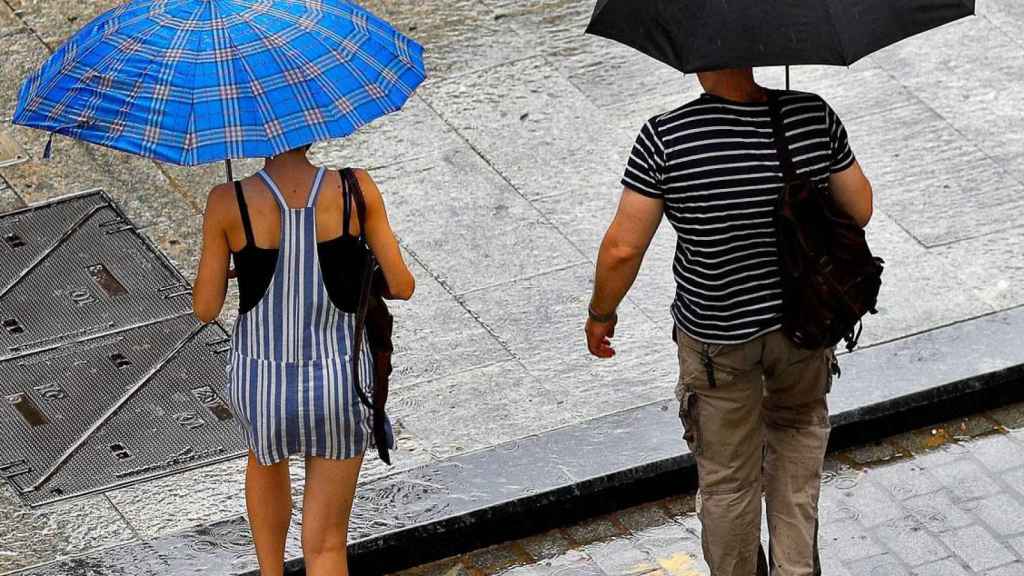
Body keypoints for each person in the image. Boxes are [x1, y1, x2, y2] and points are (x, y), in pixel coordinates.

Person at [585, 68, 873, 576]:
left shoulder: (666, 138)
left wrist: (601, 314)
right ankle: (796, 570)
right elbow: (861, 207)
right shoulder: (810, 113)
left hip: (718, 339)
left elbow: (623, 249)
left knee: (728, 479)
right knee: (798, 444)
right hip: (804, 326)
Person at [192, 145, 415, 576]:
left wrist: (232, 261)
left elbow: (205, 307)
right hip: (338, 380)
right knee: (327, 545)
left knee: (265, 459)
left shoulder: (227, 201)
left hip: (262, 384)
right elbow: (402, 285)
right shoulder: (355, 190)